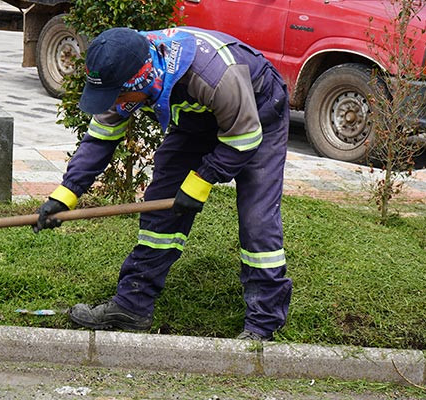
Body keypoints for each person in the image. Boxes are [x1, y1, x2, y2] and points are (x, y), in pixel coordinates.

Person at [33, 26, 291, 341]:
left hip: (257, 114)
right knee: (162, 211)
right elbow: (100, 138)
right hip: (195, 118)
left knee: (257, 220)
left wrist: (200, 183)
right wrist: (65, 195)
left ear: (140, 80)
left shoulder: (215, 74)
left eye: (117, 96)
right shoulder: (125, 68)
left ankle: (263, 324)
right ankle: (133, 306)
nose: (114, 103)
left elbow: (243, 138)